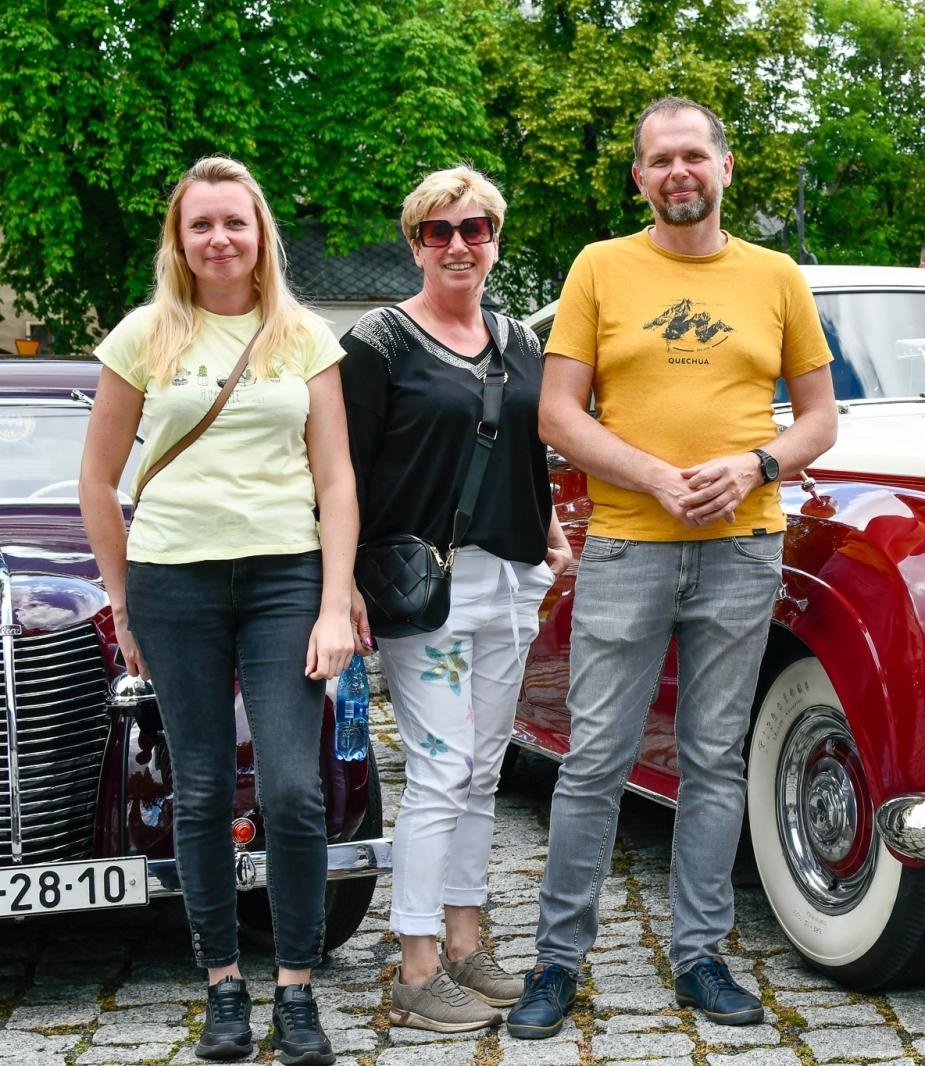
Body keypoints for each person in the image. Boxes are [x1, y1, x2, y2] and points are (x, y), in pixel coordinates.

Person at [507, 96, 838, 1039]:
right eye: (660, 160)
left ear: (725, 167)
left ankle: (700, 956)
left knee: (714, 758)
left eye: (694, 155)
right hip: (625, 543)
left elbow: (820, 419)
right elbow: (557, 414)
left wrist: (756, 465)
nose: (678, 171)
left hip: (742, 544)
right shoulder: (600, 267)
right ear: (640, 177)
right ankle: (557, 962)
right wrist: (656, 477)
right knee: (594, 759)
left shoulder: (776, 276)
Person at [79, 156, 359, 1066]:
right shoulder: (143, 336)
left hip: (284, 579)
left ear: (260, 232)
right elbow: (97, 480)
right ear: (179, 239)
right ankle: (224, 986)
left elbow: (336, 479)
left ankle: (297, 991)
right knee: (200, 790)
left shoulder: (304, 335)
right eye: (200, 224)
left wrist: (333, 602)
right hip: (174, 583)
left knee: (292, 789)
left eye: (234, 221)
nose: (219, 238)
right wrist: (122, 602)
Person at [340, 167, 573, 1033]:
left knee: (482, 770)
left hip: (509, 578)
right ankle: (416, 963)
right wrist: (341, 583)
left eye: (474, 228)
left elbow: (526, 450)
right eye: (437, 231)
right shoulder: (379, 343)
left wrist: (550, 536)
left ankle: (467, 943)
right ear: (415, 244)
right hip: (423, 587)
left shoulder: (518, 340)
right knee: (439, 771)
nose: (458, 245)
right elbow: (342, 471)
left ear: (495, 239)